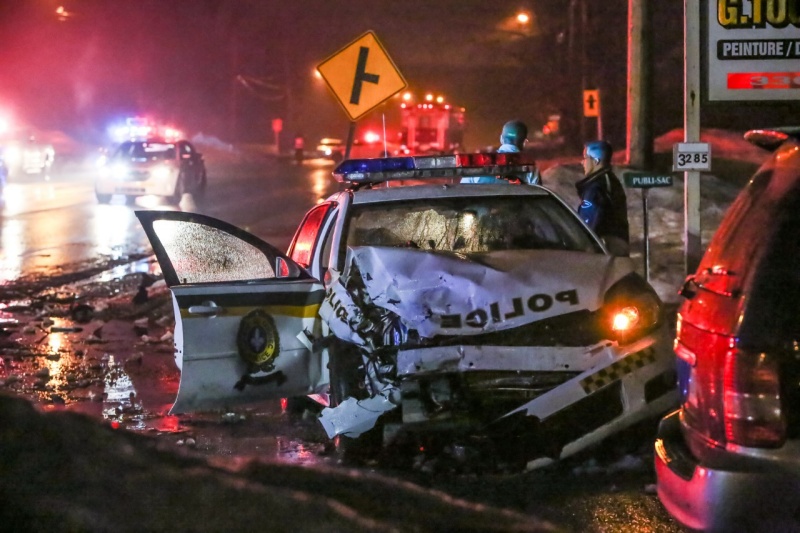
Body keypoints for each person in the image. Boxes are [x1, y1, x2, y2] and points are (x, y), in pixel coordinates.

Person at [576, 140, 630, 256]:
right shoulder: (608, 181)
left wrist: (580, 241)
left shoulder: (596, 188)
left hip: (604, 247)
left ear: (596, 161)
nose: (582, 162)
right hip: (613, 245)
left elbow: (587, 222)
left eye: (585, 158)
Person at [461, 120, 540, 184]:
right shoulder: (530, 168)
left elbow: (463, 191)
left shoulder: (478, 162)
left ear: (501, 139)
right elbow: (537, 195)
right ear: (525, 142)